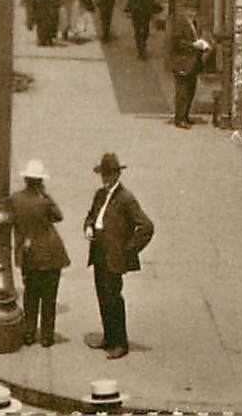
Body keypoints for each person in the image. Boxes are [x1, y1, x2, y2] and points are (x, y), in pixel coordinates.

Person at [83, 152, 153, 360]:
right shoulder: (100, 195)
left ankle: (120, 342)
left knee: (114, 298)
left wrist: (128, 249)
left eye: (109, 175)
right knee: (102, 296)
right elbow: (91, 215)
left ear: (117, 175)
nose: (106, 179)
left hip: (114, 256)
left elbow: (146, 227)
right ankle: (108, 336)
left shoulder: (126, 199)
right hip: (99, 253)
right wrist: (88, 227)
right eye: (103, 175)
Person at [10, 158, 71, 347]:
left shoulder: (15, 199)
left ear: (26, 179)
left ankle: (29, 333)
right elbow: (58, 216)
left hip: (29, 255)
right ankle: (46, 336)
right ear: (40, 181)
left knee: (30, 295)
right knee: (49, 298)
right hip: (51, 254)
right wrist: (46, 195)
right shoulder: (43, 200)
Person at [168, 14, 213, 128]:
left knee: (190, 91)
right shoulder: (180, 23)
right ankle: (180, 118)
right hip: (182, 62)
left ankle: (185, 115)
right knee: (182, 92)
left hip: (193, 64)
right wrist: (194, 45)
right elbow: (177, 43)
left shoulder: (195, 23)